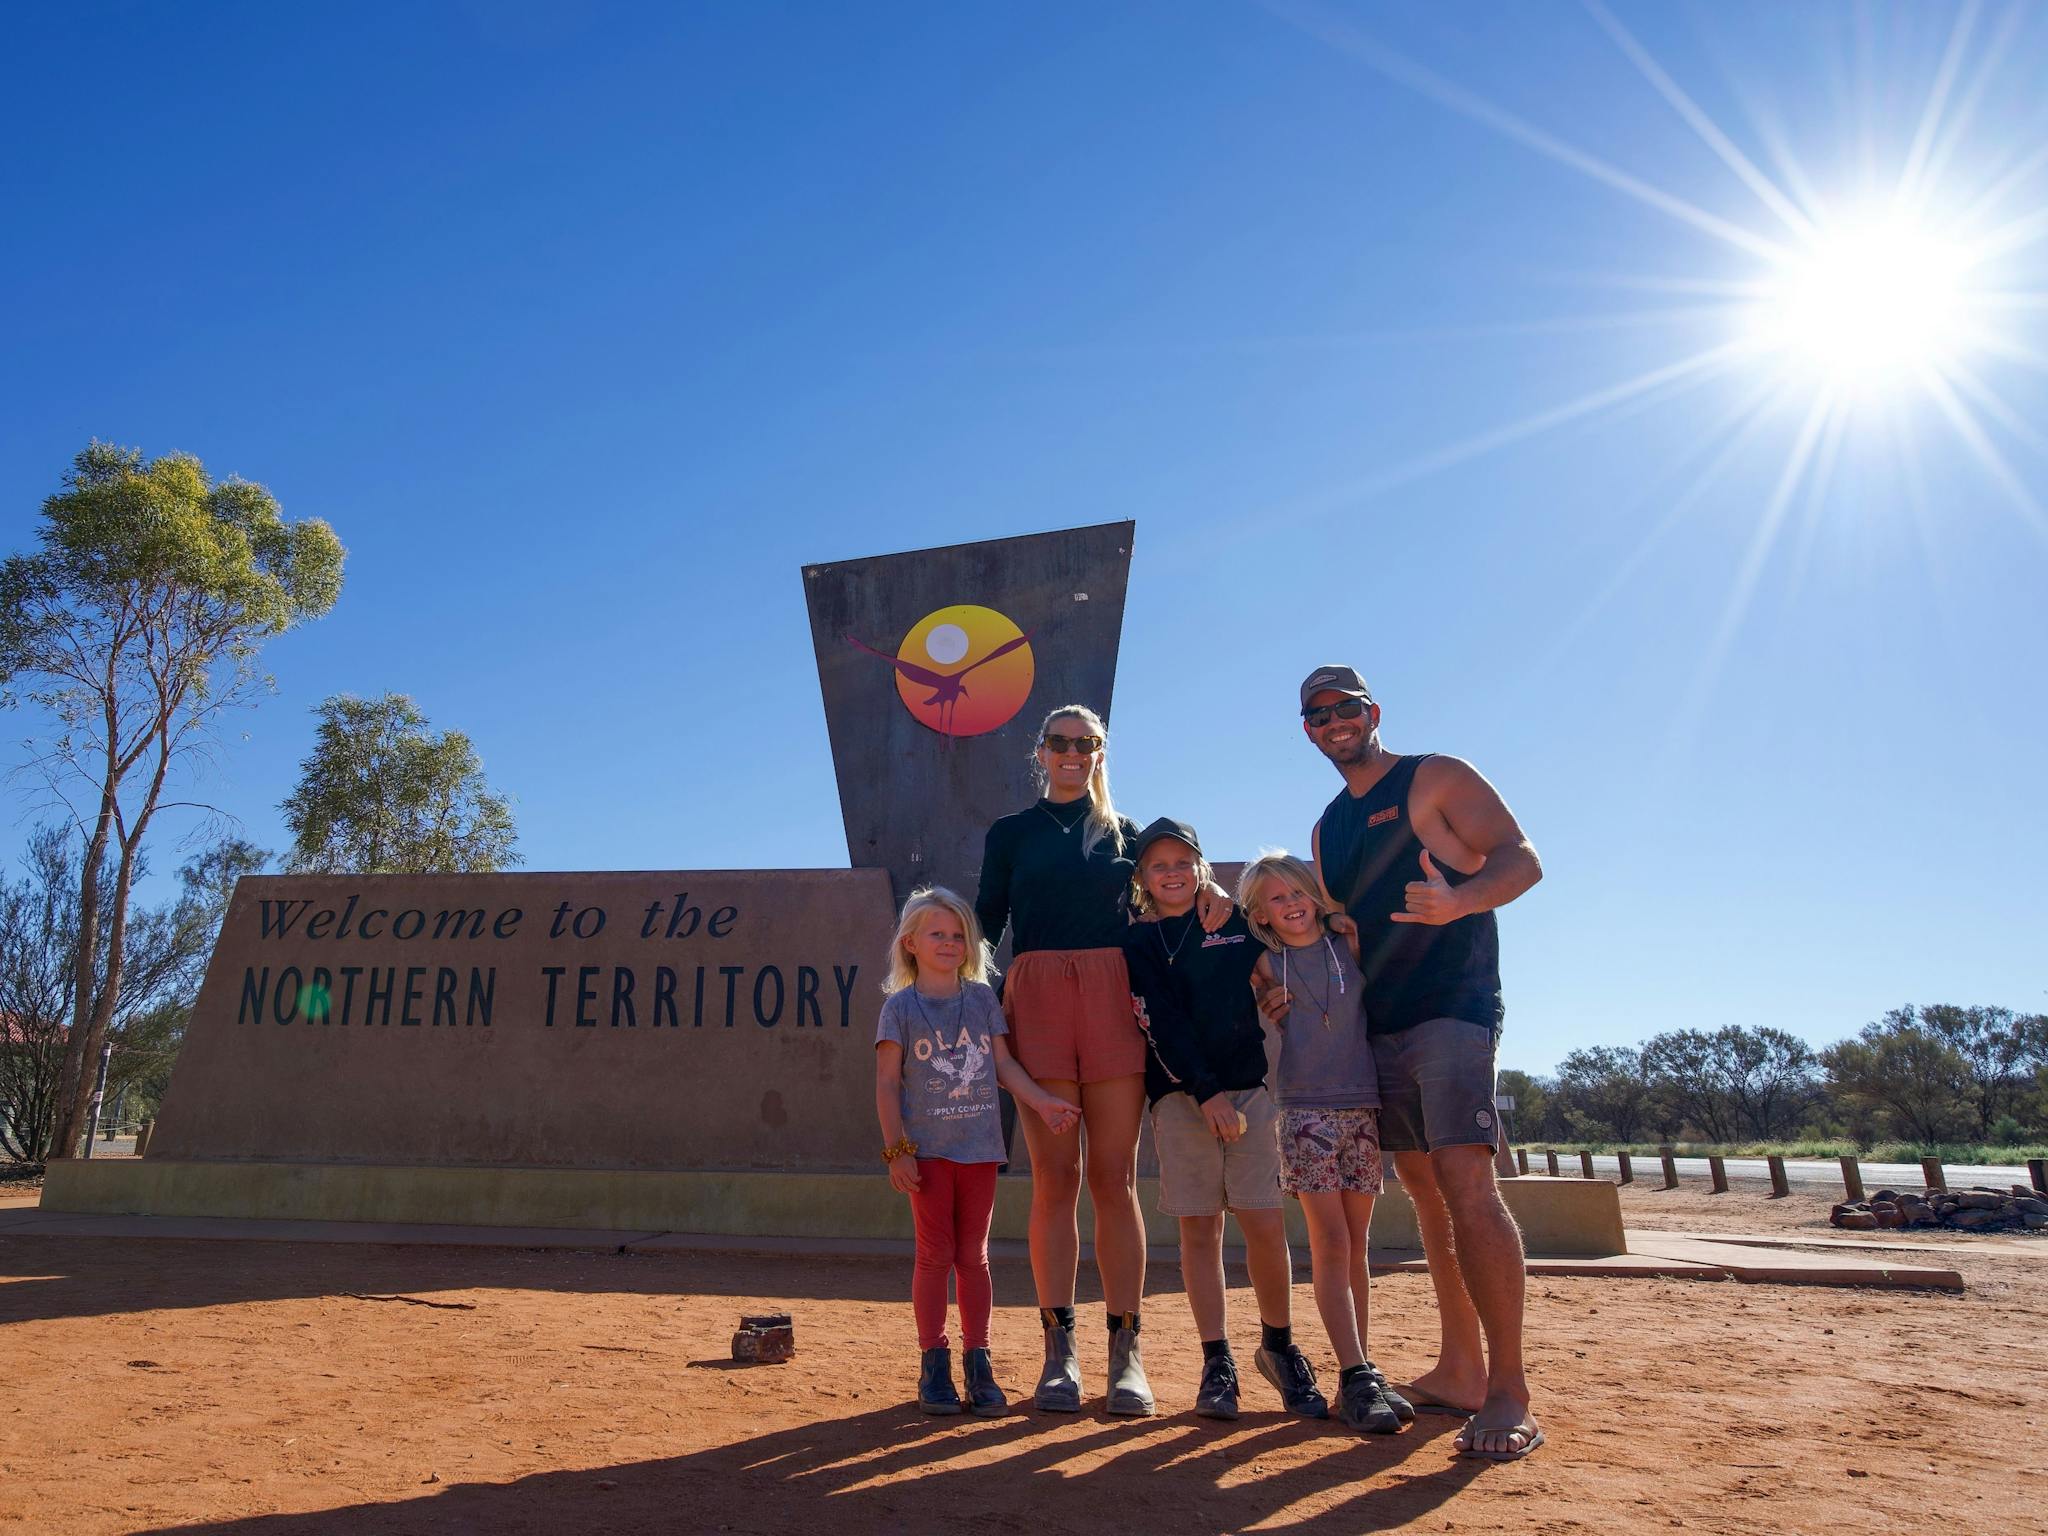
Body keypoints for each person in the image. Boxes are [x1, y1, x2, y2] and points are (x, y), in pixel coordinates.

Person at [1285, 663, 1546, 1462]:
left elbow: (1522, 858)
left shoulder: (1435, 777)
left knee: (1468, 1185)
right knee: (1427, 1194)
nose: (1335, 721)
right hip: (1382, 1023)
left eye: (1347, 707)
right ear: (1308, 730)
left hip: (1452, 1009)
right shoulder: (1328, 829)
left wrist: (1461, 900)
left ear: (1374, 712)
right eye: (1319, 714)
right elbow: (1341, 934)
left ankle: (1509, 1391)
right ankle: (1461, 1370)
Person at [974, 705, 1227, 1416]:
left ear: (1100, 754)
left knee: (1114, 1179)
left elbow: (1176, 883)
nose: (1072, 753)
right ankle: (1059, 1354)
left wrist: (1213, 892)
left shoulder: (1126, 834)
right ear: (1041, 751)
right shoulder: (1011, 833)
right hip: (1037, 996)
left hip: (1115, 994)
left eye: (1086, 744)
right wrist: (963, 990)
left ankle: (1126, 1355)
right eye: (1060, 742)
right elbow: (986, 922)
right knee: (1056, 1179)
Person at [1121, 819, 1327, 1422]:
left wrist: (1273, 992)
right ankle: (1217, 1362)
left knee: (1265, 1221)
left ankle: (1279, 1347)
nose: (1173, 873)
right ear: (1142, 878)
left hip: (1250, 1093)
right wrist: (1205, 1093)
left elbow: (1278, 962)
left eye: (1183, 862)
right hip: (1181, 1097)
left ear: (1201, 867)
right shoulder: (1140, 942)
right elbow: (1159, 1022)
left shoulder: (1231, 921)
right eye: (1159, 865)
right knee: (1200, 1230)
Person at [875, 886, 1081, 1416]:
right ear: (911, 943)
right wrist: (897, 1150)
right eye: (937, 934)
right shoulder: (899, 1009)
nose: (949, 943)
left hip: (980, 1151)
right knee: (934, 1254)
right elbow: (887, 1084)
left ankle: (978, 1361)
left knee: (974, 1256)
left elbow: (1004, 1066)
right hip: (927, 1155)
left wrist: (1042, 1102)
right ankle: (934, 1361)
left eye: (958, 935)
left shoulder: (983, 999)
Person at [1239, 852, 1408, 1435]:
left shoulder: (1350, 945)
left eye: (1298, 892)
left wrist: (1339, 917)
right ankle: (1356, 1371)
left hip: (1363, 1106)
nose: (1291, 904)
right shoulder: (1265, 965)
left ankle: (1360, 1372)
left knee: (1356, 1245)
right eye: (1276, 898)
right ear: (1261, 913)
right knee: (1330, 1241)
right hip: (1305, 1111)